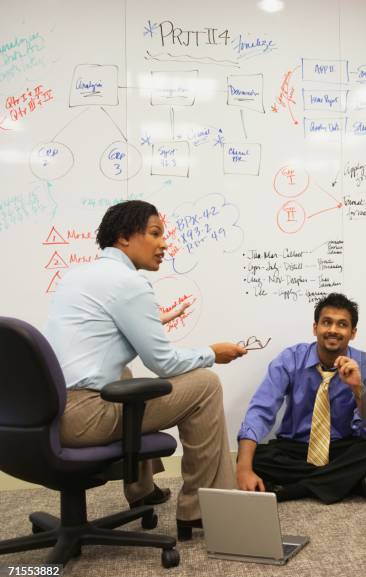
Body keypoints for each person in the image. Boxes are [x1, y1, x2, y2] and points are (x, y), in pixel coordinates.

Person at [44, 200, 247, 541]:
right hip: (81, 419)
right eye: (155, 233)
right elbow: (164, 363)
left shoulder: (79, 274)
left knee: (124, 378)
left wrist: (154, 321)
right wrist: (213, 352)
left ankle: (142, 490)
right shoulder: (129, 284)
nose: (164, 244)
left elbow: (97, 334)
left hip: (51, 409)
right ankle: (198, 510)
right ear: (124, 237)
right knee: (205, 384)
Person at [235, 293, 366, 504]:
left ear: (352, 333)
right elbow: (260, 411)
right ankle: (350, 480)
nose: (333, 330)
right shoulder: (290, 359)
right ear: (315, 328)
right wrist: (244, 469)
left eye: (342, 324)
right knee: (253, 457)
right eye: (326, 322)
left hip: (343, 447)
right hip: (296, 446)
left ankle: (294, 489)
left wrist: (358, 389)